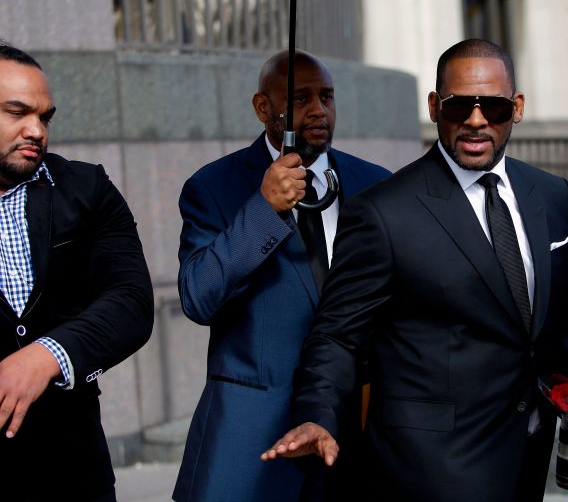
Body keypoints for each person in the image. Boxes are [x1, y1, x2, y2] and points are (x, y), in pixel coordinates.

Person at [262, 39, 568, 501]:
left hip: (527, 456)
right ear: (436, 107)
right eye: (459, 106)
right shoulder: (384, 212)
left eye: (493, 107)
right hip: (427, 469)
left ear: (516, 108)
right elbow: (338, 335)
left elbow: (565, 325)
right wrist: (317, 414)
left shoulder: (553, 196)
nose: (476, 120)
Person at [173, 50, 390, 501]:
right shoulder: (214, 187)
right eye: (300, 98)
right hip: (252, 437)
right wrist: (263, 209)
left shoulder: (376, 184)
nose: (318, 109)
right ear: (262, 107)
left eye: (326, 96)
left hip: (358, 428)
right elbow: (199, 297)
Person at [0, 44, 154, 502]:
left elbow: (131, 300)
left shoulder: (88, 189)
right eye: (17, 112)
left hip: (70, 466)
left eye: (45, 118)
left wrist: (45, 355)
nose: (37, 131)